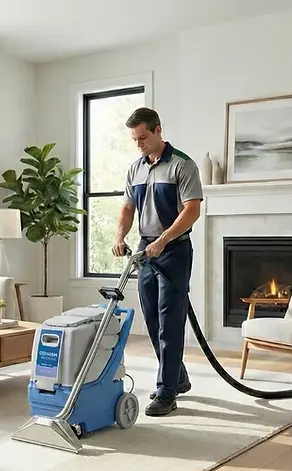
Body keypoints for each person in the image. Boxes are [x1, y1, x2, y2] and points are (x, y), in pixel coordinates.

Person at [112, 107, 203, 416]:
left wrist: (163, 239)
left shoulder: (182, 165)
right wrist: (119, 236)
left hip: (174, 249)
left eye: (143, 137)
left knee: (171, 320)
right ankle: (177, 376)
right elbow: (127, 208)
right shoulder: (134, 169)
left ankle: (166, 391)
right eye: (134, 139)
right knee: (151, 318)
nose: (139, 144)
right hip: (145, 249)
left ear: (158, 130)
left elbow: (192, 210)